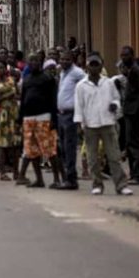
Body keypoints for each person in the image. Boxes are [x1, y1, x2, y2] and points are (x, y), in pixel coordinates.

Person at [74, 53, 132, 196]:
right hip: (90, 124)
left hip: (107, 123)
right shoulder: (81, 86)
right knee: (93, 158)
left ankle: (121, 185)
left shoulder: (109, 83)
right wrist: (78, 124)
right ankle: (97, 184)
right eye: (91, 64)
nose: (94, 67)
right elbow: (79, 106)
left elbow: (117, 99)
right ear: (87, 66)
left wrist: (114, 106)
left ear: (101, 66)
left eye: (96, 64)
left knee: (114, 156)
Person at [16, 54, 61, 188]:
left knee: (50, 150)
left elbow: (53, 99)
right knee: (32, 150)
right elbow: (23, 99)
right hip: (28, 118)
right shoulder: (27, 79)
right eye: (31, 61)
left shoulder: (47, 78)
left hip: (44, 117)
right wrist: (20, 118)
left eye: (36, 60)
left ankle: (56, 179)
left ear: (40, 62)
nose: (33, 63)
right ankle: (39, 179)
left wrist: (54, 118)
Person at [117, 47, 139, 184]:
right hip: (129, 111)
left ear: (132, 55)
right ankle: (135, 173)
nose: (124, 58)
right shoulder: (130, 71)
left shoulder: (136, 71)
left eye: (126, 55)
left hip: (134, 111)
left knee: (135, 142)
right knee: (130, 142)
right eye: (122, 55)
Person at [56, 49, 86, 190]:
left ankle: (71, 178)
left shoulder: (78, 73)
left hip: (71, 114)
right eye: (62, 59)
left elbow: (86, 88)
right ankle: (66, 177)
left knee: (69, 147)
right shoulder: (62, 72)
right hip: (61, 114)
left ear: (72, 60)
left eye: (67, 59)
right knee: (62, 147)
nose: (64, 61)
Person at [0, 62, 22, 181]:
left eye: (2, 67)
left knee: (16, 144)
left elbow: (20, 95)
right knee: (2, 145)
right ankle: (2, 172)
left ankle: (16, 171)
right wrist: (5, 97)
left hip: (14, 112)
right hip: (3, 113)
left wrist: (13, 96)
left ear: (6, 69)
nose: (0, 70)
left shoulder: (12, 80)